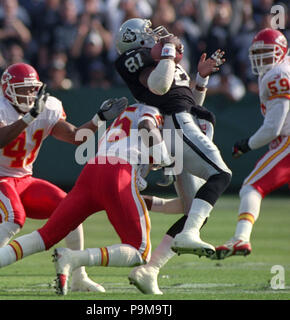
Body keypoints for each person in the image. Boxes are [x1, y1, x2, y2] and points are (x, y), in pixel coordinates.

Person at [0, 102, 169, 296]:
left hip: (92, 170)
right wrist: (166, 162)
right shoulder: (151, 112)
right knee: (140, 252)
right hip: (116, 174)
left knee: (45, 236)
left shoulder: (124, 118)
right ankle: (73, 258)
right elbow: (147, 127)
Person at [0, 62, 127, 294]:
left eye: (33, 88)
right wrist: (29, 117)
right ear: (8, 89)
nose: (30, 94)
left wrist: (99, 118)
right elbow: (0, 139)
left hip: (25, 179)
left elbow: (76, 137)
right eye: (24, 89)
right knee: (14, 218)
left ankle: (79, 276)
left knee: (72, 208)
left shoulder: (47, 107)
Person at [113, 18, 232, 294]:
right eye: (148, 33)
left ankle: (149, 270)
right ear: (136, 40)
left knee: (195, 211)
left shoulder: (161, 58)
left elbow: (189, 102)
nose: (156, 35)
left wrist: (201, 78)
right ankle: (188, 235)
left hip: (181, 120)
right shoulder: (134, 58)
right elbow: (159, 88)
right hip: (173, 125)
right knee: (221, 175)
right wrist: (167, 51)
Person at [213, 28, 290, 260]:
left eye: (268, 53)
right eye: (259, 54)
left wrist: (246, 144)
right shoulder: (280, 69)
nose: (262, 59)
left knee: (251, 186)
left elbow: (273, 128)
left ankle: (241, 238)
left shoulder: (278, 75)